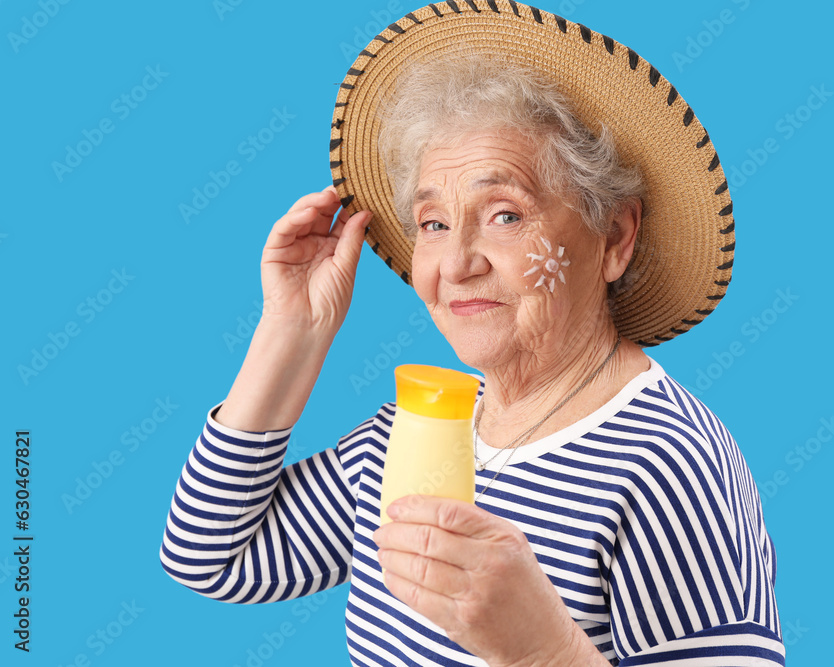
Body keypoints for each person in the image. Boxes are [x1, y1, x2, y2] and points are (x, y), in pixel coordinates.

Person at [158, 4, 783, 665]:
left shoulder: (672, 462)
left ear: (614, 236)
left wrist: (543, 649)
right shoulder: (418, 430)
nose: (456, 264)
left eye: (506, 214)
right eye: (432, 223)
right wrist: (293, 329)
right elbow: (211, 554)